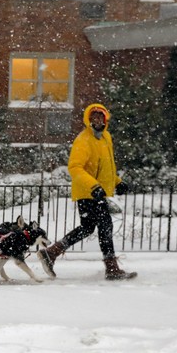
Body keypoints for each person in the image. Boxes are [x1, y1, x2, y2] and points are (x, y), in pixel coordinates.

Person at [38, 103, 136, 281]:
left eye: (100, 116)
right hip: (87, 192)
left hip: (97, 192)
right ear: (88, 120)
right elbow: (75, 167)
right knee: (105, 226)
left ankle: (52, 252)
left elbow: (107, 166)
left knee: (87, 228)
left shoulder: (106, 137)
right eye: (93, 117)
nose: (97, 120)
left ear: (106, 119)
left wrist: (117, 182)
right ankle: (112, 268)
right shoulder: (83, 139)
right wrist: (93, 186)